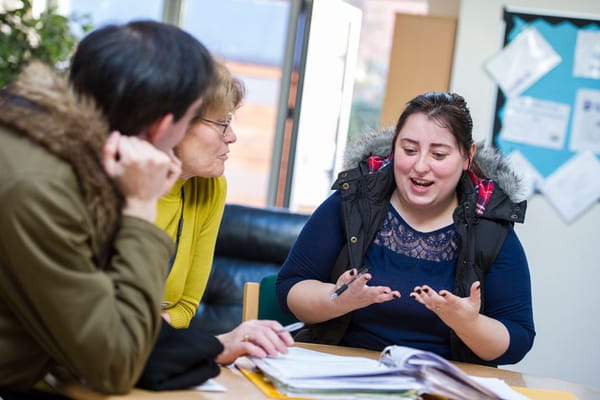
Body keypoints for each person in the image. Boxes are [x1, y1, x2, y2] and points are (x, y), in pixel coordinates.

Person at [0, 20, 214, 396]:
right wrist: (141, 208)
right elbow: (116, 362)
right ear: (161, 126)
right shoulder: (42, 187)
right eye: (190, 119)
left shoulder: (47, 150)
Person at [276, 91, 535, 366]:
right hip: (343, 374)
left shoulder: (490, 226)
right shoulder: (352, 203)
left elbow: (518, 338)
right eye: (409, 150)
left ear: (467, 157)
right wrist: (337, 300)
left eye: (438, 154)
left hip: (440, 385)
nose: (420, 166)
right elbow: (289, 288)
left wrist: (468, 323)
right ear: (394, 147)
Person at [151, 60, 293, 369]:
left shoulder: (210, 187)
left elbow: (186, 309)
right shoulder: (115, 184)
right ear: (174, 124)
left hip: (149, 355)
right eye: (222, 123)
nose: (232, 137)